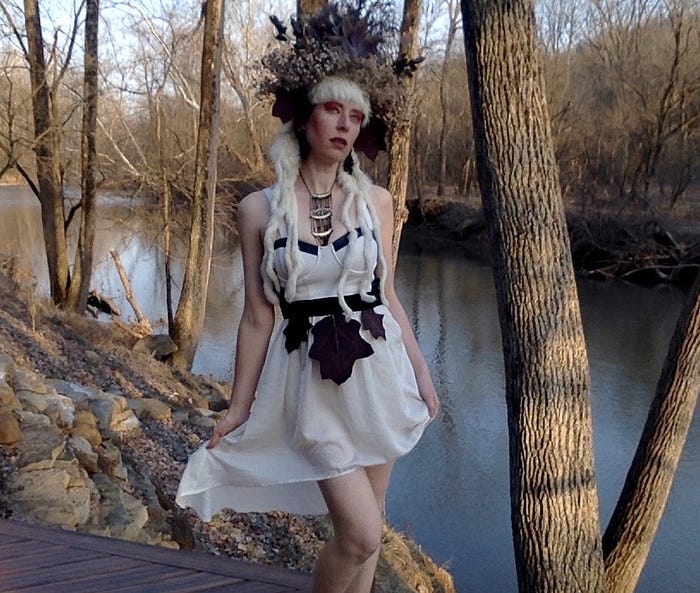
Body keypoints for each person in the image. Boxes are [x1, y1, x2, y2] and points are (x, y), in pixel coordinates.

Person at [176, 5, 440, 592]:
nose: (345, 125)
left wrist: (422, 373)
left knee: (370, 530)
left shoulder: (377, 204)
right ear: (304, 114)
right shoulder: (258, 210)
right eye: (332, 109)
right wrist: (239, 407)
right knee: (360, 536)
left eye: (356, 116)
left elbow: (387, 296)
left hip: (380, 373)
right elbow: (256, 317)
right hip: (308, 384)